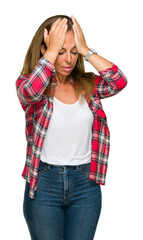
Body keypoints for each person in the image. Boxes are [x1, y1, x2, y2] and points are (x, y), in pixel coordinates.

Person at [15, 14, 128, 240]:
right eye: (61, 51)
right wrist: (50, 51)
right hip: (44, 184)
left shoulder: (87, 85)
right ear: (45, 50)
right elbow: (30, 92)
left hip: (85, 185)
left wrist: (86, 50)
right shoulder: (29, 84)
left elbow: (118, 81)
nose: (68, 59)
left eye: (73, 52)